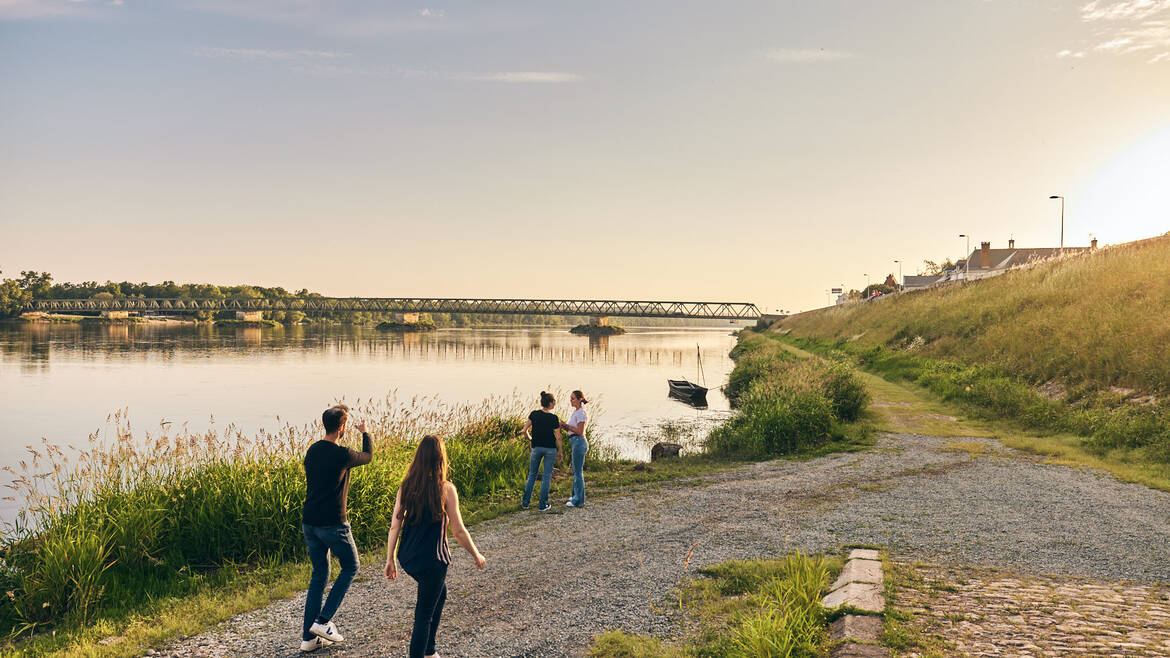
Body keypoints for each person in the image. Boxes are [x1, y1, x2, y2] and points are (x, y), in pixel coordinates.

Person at [385, 435, 487, 658]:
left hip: (408, 558)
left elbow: (395, 526)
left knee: (440, 594)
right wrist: (476, 554)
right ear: (441, 458)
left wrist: (390, 559)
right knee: (423, 615)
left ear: (418, 458)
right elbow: (458, 531)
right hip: (433, 562)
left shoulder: (406, 486)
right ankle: (423, 653)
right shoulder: (446, 489)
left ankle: (430, 651)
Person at [300, 404, 373, 652]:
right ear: (342, 427)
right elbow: (368, 456)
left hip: (309, 522)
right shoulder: (343, 455)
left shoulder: (312, 451)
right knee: (351, 566)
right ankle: (323, 621)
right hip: (333, 523)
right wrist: (365, 433)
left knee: (319, 575)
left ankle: (308, 639)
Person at [520, 391, 563, 511]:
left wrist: (531, 440)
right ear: (550, 403)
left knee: (532, 475)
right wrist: (560, 452)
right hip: (550, 449)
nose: (555, 403)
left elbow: (524, 430)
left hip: (536, 448)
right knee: (546, 476)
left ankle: (525, 503)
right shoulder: (554, 418)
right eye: (554, 401)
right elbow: (558, 437)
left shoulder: (534, 414)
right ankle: (542, 505)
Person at [560, 390, 589, 508]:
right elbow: (572, 429)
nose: (570, 401)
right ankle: (575, 496)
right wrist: (564, 427)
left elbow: (580, 431)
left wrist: (566, 426)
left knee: (578, 472)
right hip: (574, 442)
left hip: (579, 442)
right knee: (576, 471)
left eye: (572, 398)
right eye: (570, 398)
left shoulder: (581, 413)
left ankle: (578, 500)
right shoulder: (576, 412)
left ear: (579, 399)